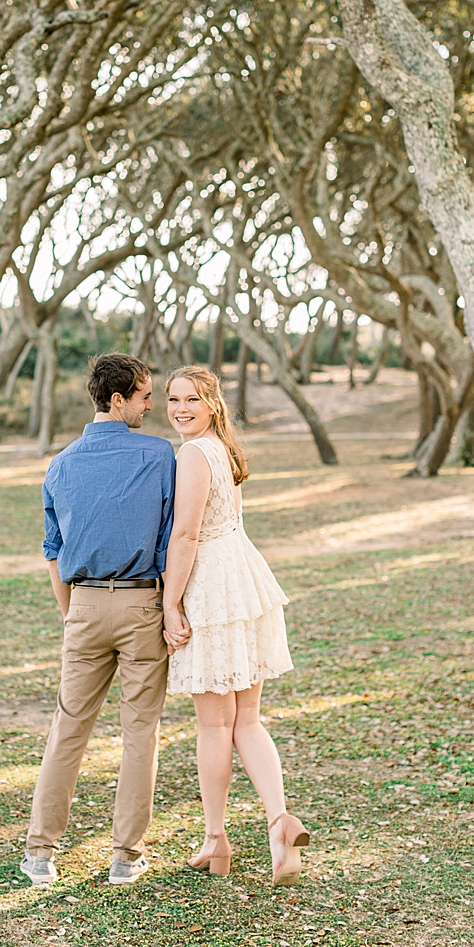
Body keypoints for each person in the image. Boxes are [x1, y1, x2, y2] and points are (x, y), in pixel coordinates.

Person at [23, 352, 176, 887]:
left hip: (83, 605)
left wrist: (74, 614)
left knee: (68, 728)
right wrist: (171, 608)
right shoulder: (160, 456)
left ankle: (40, 853)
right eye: (145, 396)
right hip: (142, 606)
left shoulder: (61, 464)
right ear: (118, 399)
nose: (151, 406)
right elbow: (171, 542)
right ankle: (126, 857)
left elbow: (53, 552)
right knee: (140, 732)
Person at [159, 364, 309, 884]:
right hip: (243, 578)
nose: (180, 409)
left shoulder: (193, 454)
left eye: (192, 400)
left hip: (215, 588)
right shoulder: (222, 448)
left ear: (212, 404)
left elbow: (186, 535)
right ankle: (279, 819)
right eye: (173, 399)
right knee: (246, 720)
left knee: (215, 725)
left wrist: (171, 604)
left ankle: (215, 838)